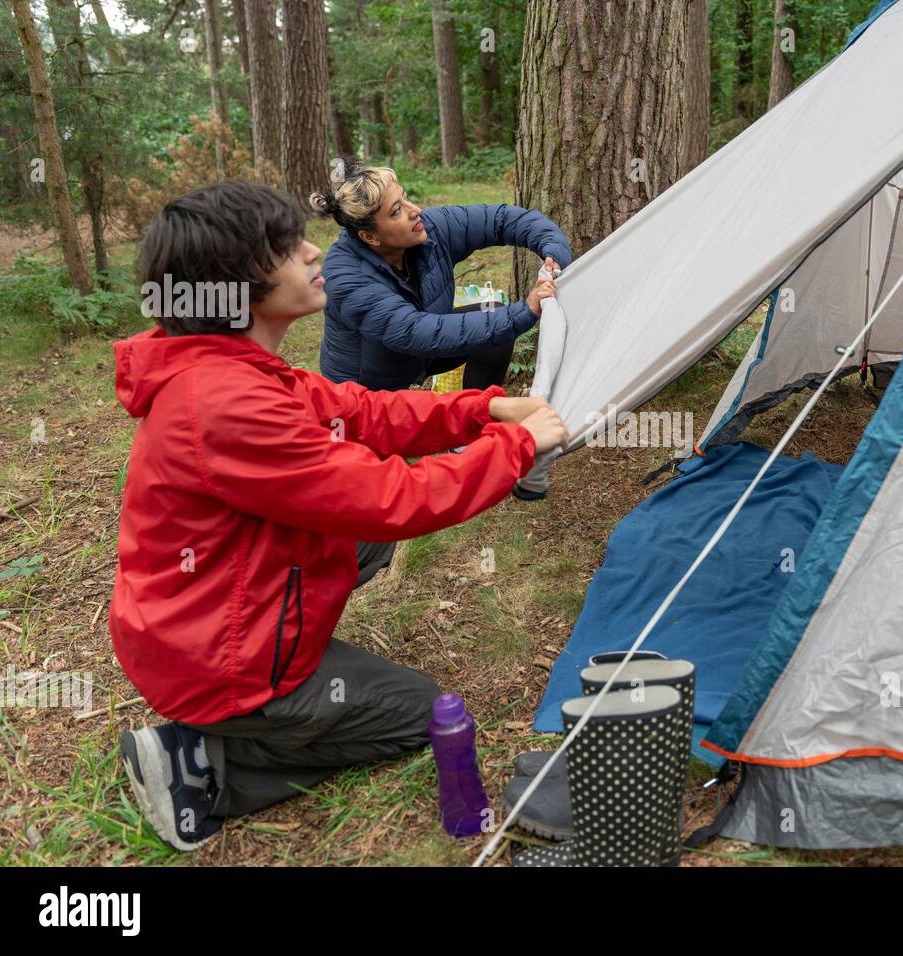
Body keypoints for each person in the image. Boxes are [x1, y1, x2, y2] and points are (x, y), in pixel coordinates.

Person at [110, 180, 569, 851]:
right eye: (284, 248)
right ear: (235, 287)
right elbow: (395, 500)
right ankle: (207, 763)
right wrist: (517, 448)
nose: (311, 249)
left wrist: (483, 410)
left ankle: (262, 698)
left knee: (358, 541)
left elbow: (360, 411)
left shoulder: (234, 366)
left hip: (200, 614)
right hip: (216, 657)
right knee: (420, 715)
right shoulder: (224, 402)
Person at [311, 158, 571, 397]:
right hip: (365, 389)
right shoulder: (345, 277)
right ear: (370, 237)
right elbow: (416, 331)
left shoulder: (428, 229)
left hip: (418, 356)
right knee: (386, 447)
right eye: (396, 211)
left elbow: (501, 219)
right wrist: (525, 311)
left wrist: (553, 253)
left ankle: (474, 426)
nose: (415, 211)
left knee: (493, 319)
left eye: (406, 199)